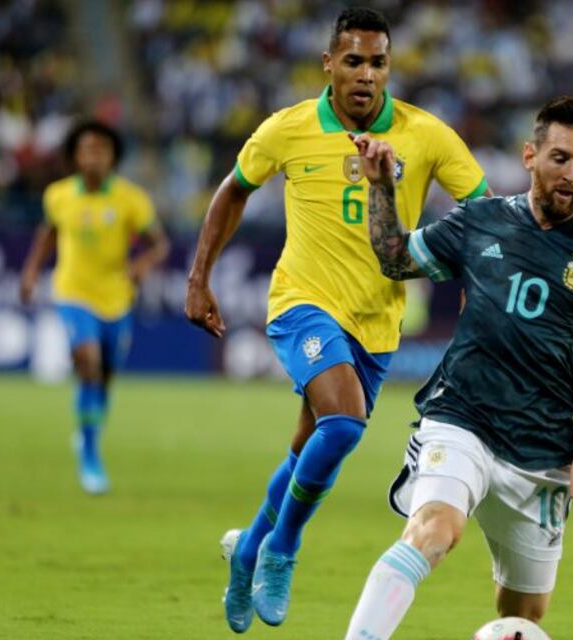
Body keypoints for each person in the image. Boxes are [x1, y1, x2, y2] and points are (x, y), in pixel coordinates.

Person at [183, 7, 490, 633]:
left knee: (309, 447)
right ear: (329, 64)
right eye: (353, 60)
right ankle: (282, 549)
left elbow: (484, 214)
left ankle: (246, 549)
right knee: (345, 423)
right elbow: (233, 188)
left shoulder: (426, 135)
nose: (366, 74)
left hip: (378, 322)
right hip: (302, 300)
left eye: (378, 62)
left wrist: (477, 287)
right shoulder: (288, 128)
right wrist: (199, 277)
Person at [344, 96, 573, 638]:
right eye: (560, 158)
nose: (572, 174)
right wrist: (380, 185)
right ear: (529, 156)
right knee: (434, 530)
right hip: (463, 416)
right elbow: (394, 256)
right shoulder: (479, 221)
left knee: (522, 616)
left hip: (543, 445)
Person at [19, 120, 169, 495]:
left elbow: (159, 244)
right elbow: (48, 234)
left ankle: (88, 426)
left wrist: (139, 267)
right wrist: (31, 272)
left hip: (116, 298)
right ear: (74, 156)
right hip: (72, 292)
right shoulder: (58, 195)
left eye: (100, 150)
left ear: (113, 157)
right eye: (86, 150)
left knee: (104, 377)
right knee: (87, 361)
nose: (93, 157)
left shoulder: (130, 199)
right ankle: (89, 453)